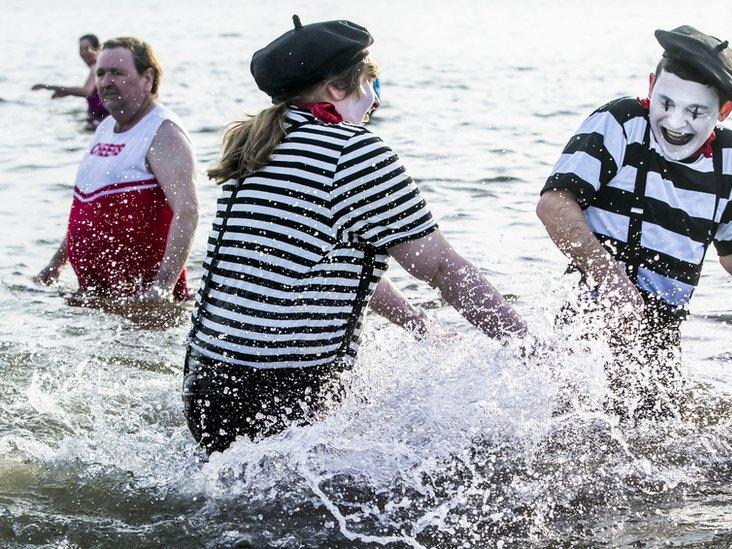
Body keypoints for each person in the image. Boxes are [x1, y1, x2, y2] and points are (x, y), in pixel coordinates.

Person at [183, 16, 527, 455]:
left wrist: (420, 326)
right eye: (371, 82)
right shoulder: (352, 150)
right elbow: (441, 266)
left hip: (207, 386)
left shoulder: (257, 147)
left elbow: (323, 259)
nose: (374, 102)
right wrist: (528, 350)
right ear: (336, 90)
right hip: (283, 398)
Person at [536, 26, 732, 418]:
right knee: (580, 432)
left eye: (695, 111)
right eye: (665, 102)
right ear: (652, 85)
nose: (675, 122)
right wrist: (613, 283)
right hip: (593, 318)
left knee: (661, 441)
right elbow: (554, 205)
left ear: (723, 112)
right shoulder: (620, 122)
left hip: (663, 334)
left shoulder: (728, 157)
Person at [35, 37, 198, 302]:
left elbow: (188, 211)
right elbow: (87, 206)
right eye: (100, 73)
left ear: (147, 79)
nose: (106, 81)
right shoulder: (105, 127)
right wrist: (55, 265)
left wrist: (162, 288)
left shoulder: (164, 133)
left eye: (116, 73)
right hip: (95, 295)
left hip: (142, 301)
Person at [32, 34, 110, 125]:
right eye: (81, 49)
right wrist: (67, 92)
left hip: (102, 120)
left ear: (97, 49)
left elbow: (87, 91)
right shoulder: (100, 66)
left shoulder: (96, 67)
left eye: (87, 48)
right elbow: (93, 93)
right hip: (99, 119)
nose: (84, 52)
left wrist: (49, 87)